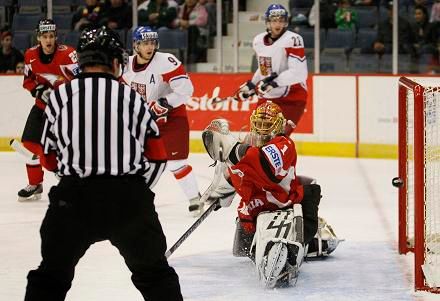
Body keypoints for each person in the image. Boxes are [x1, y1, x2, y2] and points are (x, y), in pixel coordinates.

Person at [24, 26, 183, 301]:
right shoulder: (132, 97)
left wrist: (72, 177)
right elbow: (157, 155)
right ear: (114, 62)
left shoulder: (60, 96)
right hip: (128, 200)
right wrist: (136, 190)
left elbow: (47, 155)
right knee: (156, 276)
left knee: (50, 277)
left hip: (73, 200)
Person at [202, 101, 341, 288]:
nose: (262, 130)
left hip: (284, 206)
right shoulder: (245, 148)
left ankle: (312, 241)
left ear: (279, 125)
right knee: (243, 250)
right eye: (259, 124)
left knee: (300, 244)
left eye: (267, 125)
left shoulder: (284, 144)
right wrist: (220, 194)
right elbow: (235, 174)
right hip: (253, 214)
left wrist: (233, 150)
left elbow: (267, 168)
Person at [121, 26, 203, 216]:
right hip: (144, 120)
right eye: (145, 43)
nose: (150, 47)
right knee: (136, 161)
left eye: (152, 42)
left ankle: (194, 198)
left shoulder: (166, 62)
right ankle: (137, 198)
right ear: (136, 45)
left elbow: (186, 90)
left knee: (176, 162)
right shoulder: (125, 65)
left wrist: (164, 102)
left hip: (172, 118)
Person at [18, 19, 79, 201]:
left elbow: (81, 81)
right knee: (29, 146)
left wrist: (63, 93)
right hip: (41, 108)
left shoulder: (68, 55)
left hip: (64, 111)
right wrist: (38, 90)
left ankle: (70, 184)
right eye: (44, 36)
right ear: (38, 38)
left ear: (56, 37)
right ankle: (35, 183)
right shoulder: (30, 55)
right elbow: (28, 80)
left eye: (51, 36)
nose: (48, 40)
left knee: (66, 150)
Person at [236, 4, 308, 136]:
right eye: (274, 20)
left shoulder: (293, 39)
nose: (278, 24)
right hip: (269, 95)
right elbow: (264, 69)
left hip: (292, 96)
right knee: (257, 137)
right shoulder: (259, 41)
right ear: (268, 22)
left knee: (276, 140)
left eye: (281, 20)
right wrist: (252, 84)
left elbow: (299, 73)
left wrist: (273, 83)